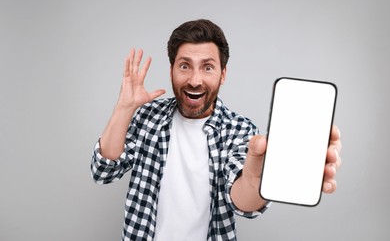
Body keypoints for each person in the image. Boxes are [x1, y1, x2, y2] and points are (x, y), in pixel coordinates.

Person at [91, 19, 342, 241]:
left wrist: (254, 175)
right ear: (171, 71)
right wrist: (124, 107)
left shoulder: (239, 129)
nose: (195, 80)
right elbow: (104, 170)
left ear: (223, 74)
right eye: (185, 66)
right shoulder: (149, 115)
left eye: (207, 67)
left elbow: (243, 202)